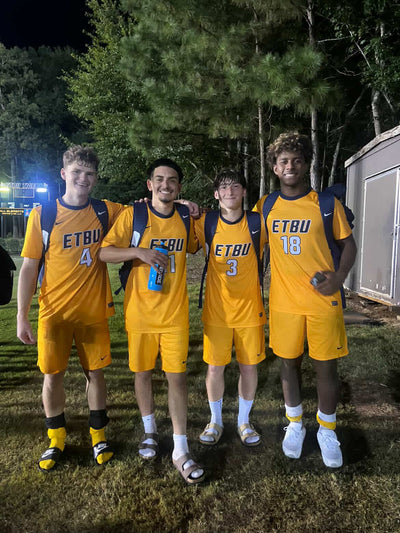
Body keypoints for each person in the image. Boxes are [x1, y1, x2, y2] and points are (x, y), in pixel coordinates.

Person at [17, 145, 124, 472]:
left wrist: (181, 205)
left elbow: (144, 212)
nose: (83, 178)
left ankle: (98, 436)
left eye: (89, 173)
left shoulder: (105, 210)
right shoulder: (43, 214)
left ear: (96, 178)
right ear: (64, 174)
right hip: (54, 314)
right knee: (52, 376)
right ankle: (56, 438)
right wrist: (22, 315)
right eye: (76, 172)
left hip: (93, 313)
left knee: (96, 374)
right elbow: (29, 267)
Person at [254, 132, 357, 468]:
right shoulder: (266, 206)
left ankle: (327, 430)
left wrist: (339, 278)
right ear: (274, 167)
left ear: (306, 165)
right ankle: (295, 424)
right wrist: (189, 209)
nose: (290, 166)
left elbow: (349, 245)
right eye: (283, 161)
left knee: (326, 366)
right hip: (284, 302)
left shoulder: (325, 204)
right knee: (288, 364)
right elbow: (235, 224)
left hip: (322, 301)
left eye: (297, 160)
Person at [99, 158, 205, 485]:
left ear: (179, 187)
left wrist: (195, 209)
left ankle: (180, 448)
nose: (165, 185)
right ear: (150, 184)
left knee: (177, 379)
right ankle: (149, 431)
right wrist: (139, 252)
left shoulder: (185, 218)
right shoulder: (135, 215)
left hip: (174, 316)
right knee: (142, 373)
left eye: (172, 180)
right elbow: (104, 252)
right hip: (140, 314)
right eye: (159, 179)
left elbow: (199, 241)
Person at [195, 169, 267, 448]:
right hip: (218, 312)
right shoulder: (207, 222)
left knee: (248, 368)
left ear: (244, 191)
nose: (230, 191)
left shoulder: (258, 222)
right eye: (224, 187)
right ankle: (215, 421)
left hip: (250, 310)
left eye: (235, 186)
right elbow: (172, 220)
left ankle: (243, 421)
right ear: (216, 194)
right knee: (215, 368)